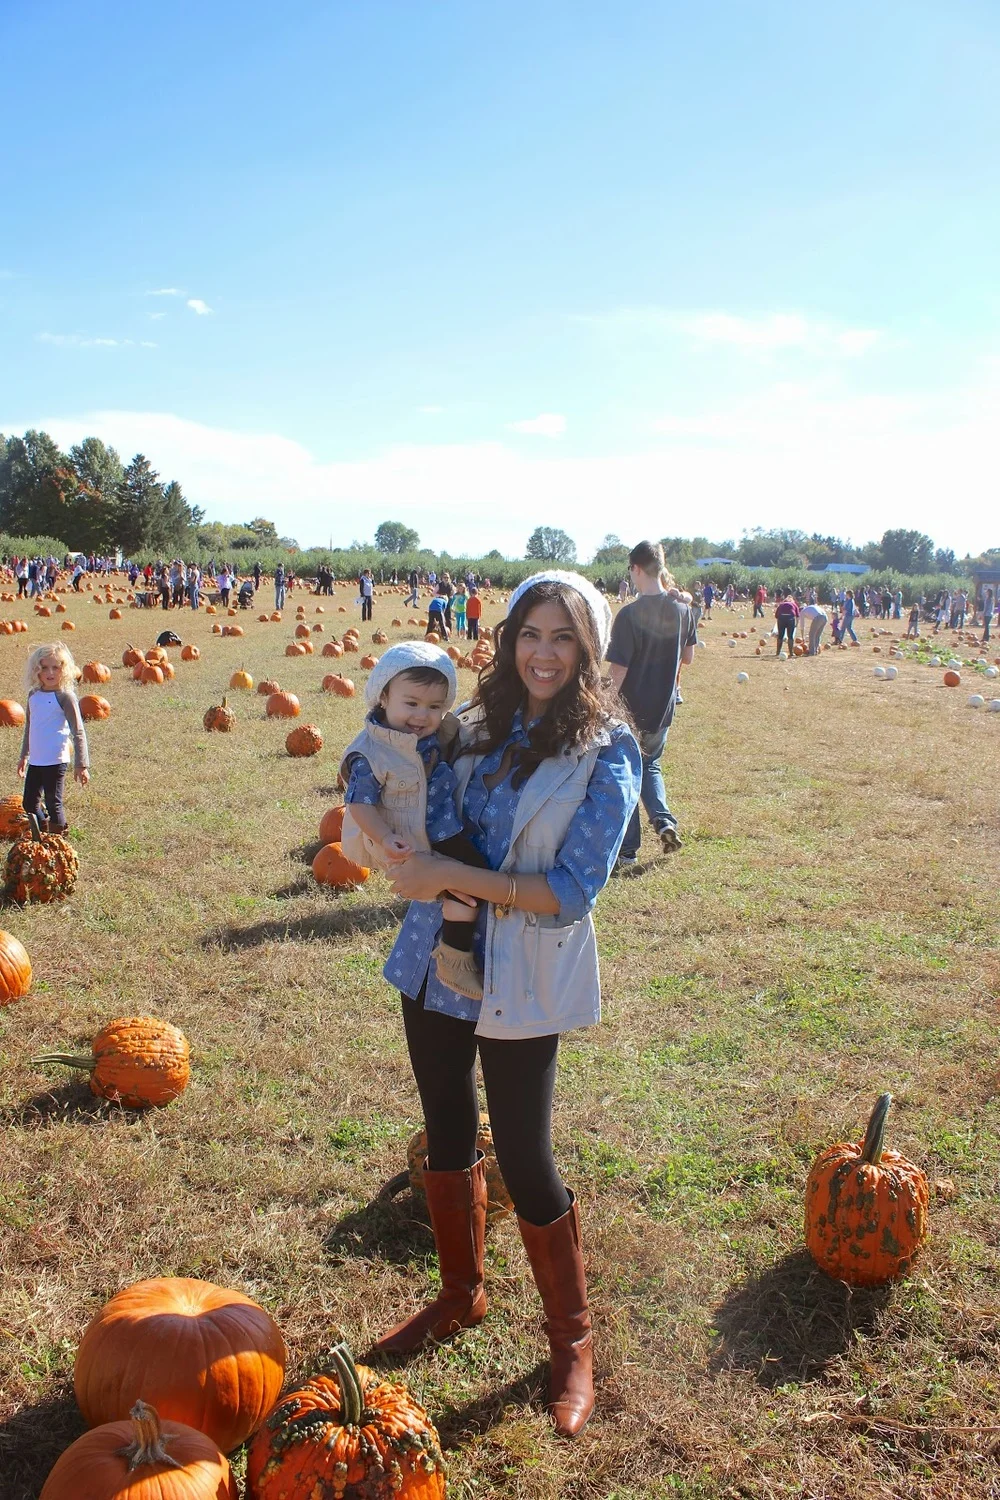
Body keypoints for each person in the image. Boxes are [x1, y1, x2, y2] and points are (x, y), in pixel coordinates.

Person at [374, 572, 640, 1438]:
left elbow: (571, 890)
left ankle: (572, 1341)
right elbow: (395, 767)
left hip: (522, 969)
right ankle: (460, 1294)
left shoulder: (607, 752)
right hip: (434, 954)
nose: (543, 654)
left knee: (525, 1153)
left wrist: (450, 873)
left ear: (589, 650)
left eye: (563, 637)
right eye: (530, 632)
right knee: (446, 1124)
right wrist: (378, 818)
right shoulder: (472, 724)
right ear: (508, 638)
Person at [340, 643, 490, 999]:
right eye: (411, 703)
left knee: (468, 882)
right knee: (475, 878)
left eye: (434, 706)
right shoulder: (372, 752)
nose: (422, 716)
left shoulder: (430, 734)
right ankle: (454, 957)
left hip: (443, 825)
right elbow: (358, 803)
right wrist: (385, 836)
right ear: (383, 697)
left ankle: (453, 949)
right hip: (417, 838)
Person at [606, 541, 696, 867]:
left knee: (627, 772)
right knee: (651, 766)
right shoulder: (683, 611)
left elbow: (618, 671)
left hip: (629, 712)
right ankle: (664, 822)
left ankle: (627, 851)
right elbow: (688, 657)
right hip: (663, 710)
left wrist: (602, 705)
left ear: (636, 569)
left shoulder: (630, 615)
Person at [17, 644, 90, 833]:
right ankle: (42, 834)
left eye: (55, 667)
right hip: (36, 760)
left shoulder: (65, 697)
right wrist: (24, 756)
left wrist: (81, 764)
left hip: (56, 759)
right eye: (44, 667)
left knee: (53, 803)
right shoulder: (33, 695)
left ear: (63, 670)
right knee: (29, 803)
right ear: (36, 670)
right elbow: (29, 727)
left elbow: (78, 732)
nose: (50, 673)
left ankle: (58, 840)